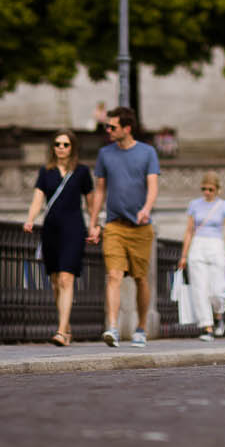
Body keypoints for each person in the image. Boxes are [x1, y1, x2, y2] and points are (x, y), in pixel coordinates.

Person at [88, 107, 159, 347]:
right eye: (107, 126)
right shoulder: (105, 154)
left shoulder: (147, 152)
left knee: (140, 278)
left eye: (112, 127)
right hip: (114, 226)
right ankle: (113, 327)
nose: (108, 130)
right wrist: (94, 222)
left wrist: (147, 208)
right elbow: (99, 191)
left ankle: (141, 327)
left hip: (140, 227)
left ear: (127, 129)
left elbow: (153, 186)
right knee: (114, 276)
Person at [24, 131, 93, 346]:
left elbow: (90, 202)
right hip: (51, 229)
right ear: (53, 147)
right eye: (57, 144)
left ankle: (62, 331)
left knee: (66, 278)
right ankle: (66, 326)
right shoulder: (46, 171)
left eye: (65, 144)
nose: (61, 147)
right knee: (55, 281)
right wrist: (30, 219)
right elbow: (38, 199)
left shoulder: (81, 171)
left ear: (72, 147)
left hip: (74, 229)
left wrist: (94, 225)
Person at [177, 171, 225, 339]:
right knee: (199, 288)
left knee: (218, 290)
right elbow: (189, 231)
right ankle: (206, 326)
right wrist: (183, 255)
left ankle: (218, 314)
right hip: (198, 245)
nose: (207, 192)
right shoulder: (194, 205)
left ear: (217, 189)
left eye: (210, 189)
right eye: (204, 189)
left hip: (216, 245)